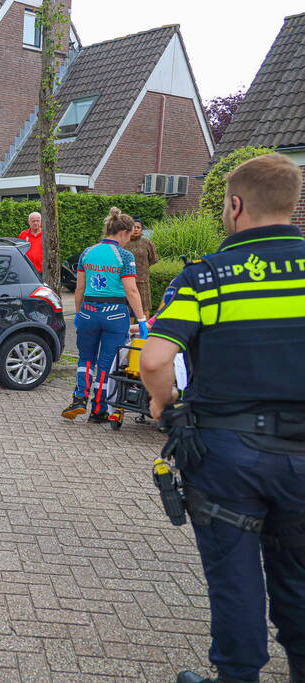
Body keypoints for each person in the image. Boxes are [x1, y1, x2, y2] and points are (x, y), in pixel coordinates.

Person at [139, 154, 305, 683]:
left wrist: (163, 405)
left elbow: (156, 359)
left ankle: (237, 675)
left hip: (228, 455)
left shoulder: (207, 277)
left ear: (234, 206)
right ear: (292, 204)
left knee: (235, 579)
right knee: (300, 578)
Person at [61, 207, 147, 422]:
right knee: (106, 362)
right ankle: (98, 409)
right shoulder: (124, 256)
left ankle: (79, 398)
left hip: (89, 311)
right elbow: (131, 290)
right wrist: (143, 320)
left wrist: (79, 314)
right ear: (123, 233)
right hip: (115, 314)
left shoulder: (87, 252)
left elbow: (79, 289)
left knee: (85, 359)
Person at [125, 217, 158, 316]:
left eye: (138, 227)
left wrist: (143, 268)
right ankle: (129, 330)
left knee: (145, 306)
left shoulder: (147, 243)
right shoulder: (124, 242)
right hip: (126, 279)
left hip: (143, 280)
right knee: (129, 307)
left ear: (141, 229)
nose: (135, 229)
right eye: (133, 227)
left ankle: (144, 330)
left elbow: (153, 259)